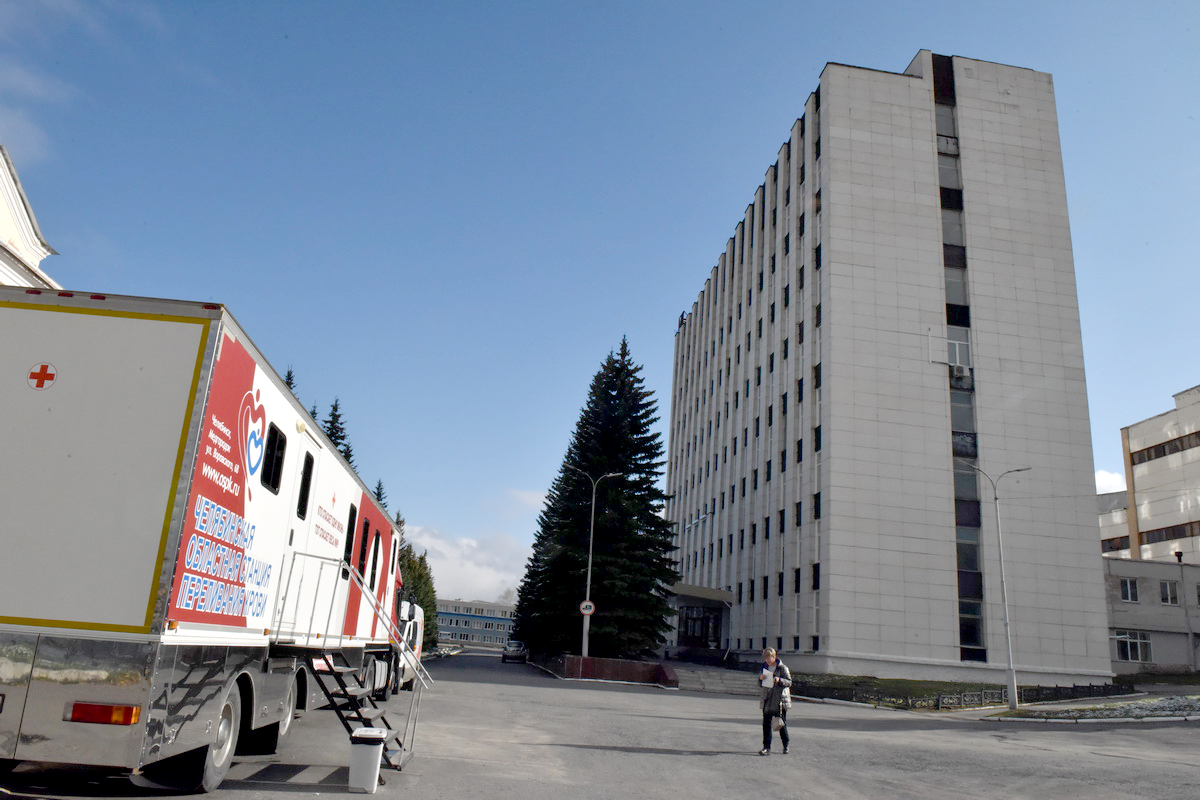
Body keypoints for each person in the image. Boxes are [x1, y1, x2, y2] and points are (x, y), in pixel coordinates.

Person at [757, 647, 792, 755]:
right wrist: (760, 679)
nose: (767, 660)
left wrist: (779, 680)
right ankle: (766, 747)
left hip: (779, 699)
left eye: (769, 657)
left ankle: (786, 745)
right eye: (766, 658)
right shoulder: (764, 667)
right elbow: (760, 684)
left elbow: (789, 682)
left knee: (781, 723)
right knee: (766, 724)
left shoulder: (782, 668)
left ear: (774, 656)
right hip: (767, 698)